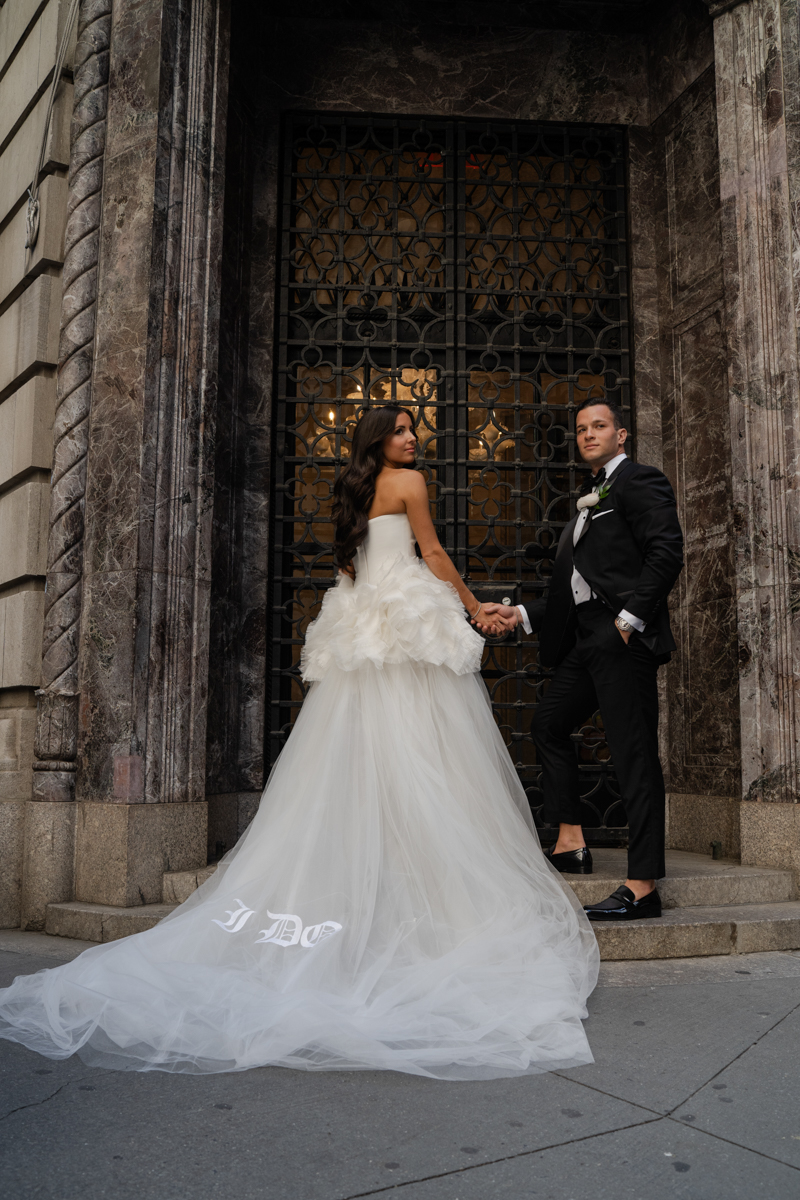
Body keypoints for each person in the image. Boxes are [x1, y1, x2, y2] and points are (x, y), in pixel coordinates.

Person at [0, 404, 599, 1079]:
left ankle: (364, 897)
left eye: (412, 429)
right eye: (401, 430)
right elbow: (430, 554)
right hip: (403, 630)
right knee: (427, 760)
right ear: (379, 439)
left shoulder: (352, 493)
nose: (412, 438)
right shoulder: (411, 484)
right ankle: (420, 904)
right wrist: (473, 604)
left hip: (364, 626)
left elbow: (354, 569)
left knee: (360, 763)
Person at [477, 400, 684, 923]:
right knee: (548, 723)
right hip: (585, 640)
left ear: (622, 435)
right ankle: (571, 841)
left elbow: (666, 553)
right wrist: (519, 611)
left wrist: (628, 622)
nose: (589, 434)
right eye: (582, 429)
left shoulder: (641, 481)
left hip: (620, 639)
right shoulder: (590, 503)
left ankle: (641, 886)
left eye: (599, 427)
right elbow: (572, 590)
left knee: (632, 753)